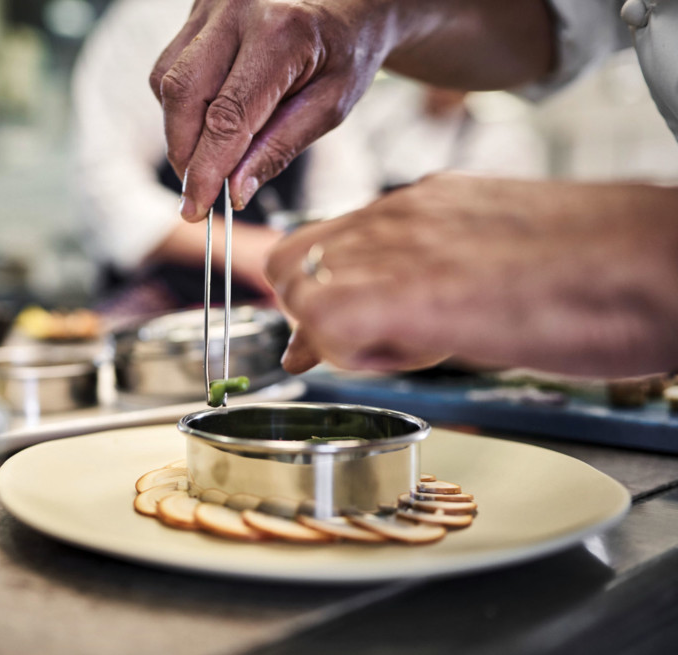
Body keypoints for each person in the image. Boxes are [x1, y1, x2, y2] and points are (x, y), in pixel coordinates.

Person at [149, 0, 678, 379]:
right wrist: (366, 17)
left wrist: (611, 250)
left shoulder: (503, 137)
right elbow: (569, 17)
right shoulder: (390, 120)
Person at [72, 0, 545, 319]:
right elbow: (106, 193)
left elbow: (342, 191)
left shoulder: (319, 21)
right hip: (158, 308)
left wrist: (323, 260)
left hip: (270, 311)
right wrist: (258, 251)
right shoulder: (141, 20)